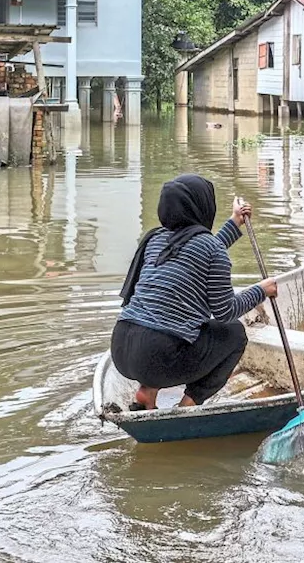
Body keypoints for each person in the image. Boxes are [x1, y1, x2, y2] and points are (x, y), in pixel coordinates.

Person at [113, 174, 277, 411]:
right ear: (202, 207)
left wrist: (234, 223)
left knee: (168, 323)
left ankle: (147, 392)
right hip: (158, 357)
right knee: (234, 334)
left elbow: (200, 251)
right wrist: (261, 291)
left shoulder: (156, 239)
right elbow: (225, 311)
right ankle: (187, 406)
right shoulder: (211, 250)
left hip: (121, 348)